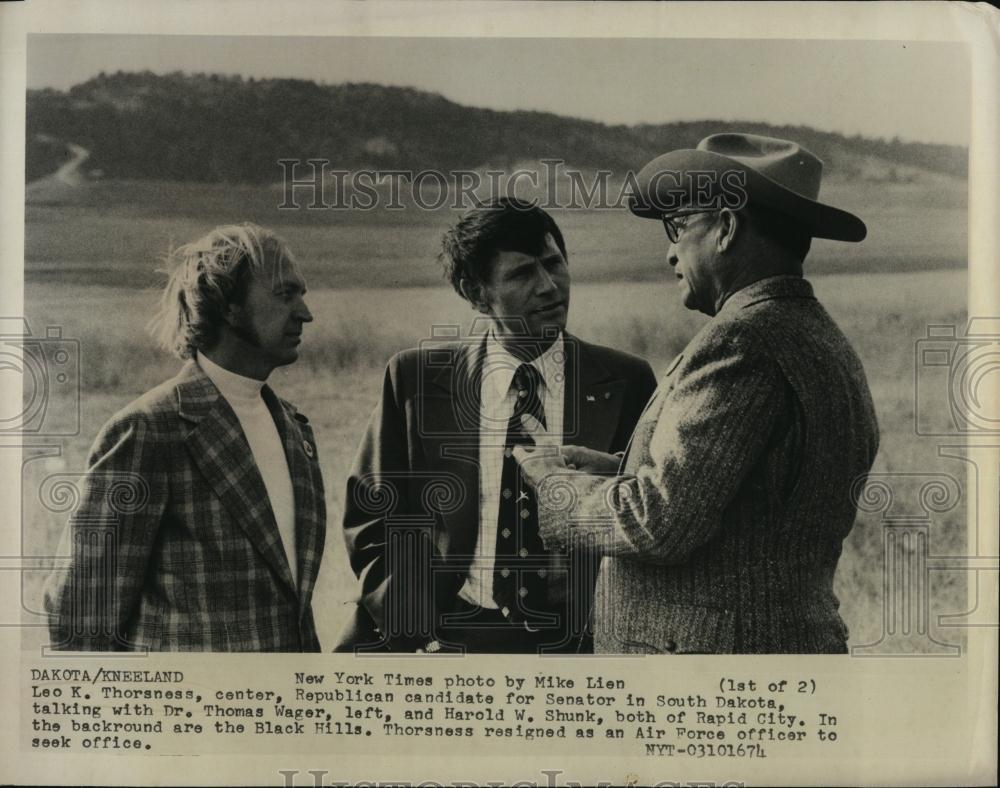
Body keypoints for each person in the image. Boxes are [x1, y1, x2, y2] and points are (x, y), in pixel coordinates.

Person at [515, 133, 880, 654]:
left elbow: (659, 522)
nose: (669, 252)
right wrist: (619, 468)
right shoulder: (815, 334)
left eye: (680, 225)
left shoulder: (742, 341)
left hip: (713, 677)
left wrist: (556, 488)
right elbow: (755, 493)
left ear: (727, 227)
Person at [336, 198, 657, 654]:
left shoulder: (626, 380)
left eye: (554, 264)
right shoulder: (417, 380)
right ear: (475, 292)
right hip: (452, 644)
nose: (549, 286)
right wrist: (414, 625)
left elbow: (650, 517)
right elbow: (372, 519)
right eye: (523, 274)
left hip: (584, 650)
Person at [45, 223, 326, 651]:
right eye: (285, 295)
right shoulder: (149, 430)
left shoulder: (294, 428)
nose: (305, 312)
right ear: (228, 304)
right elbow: (83, 617)